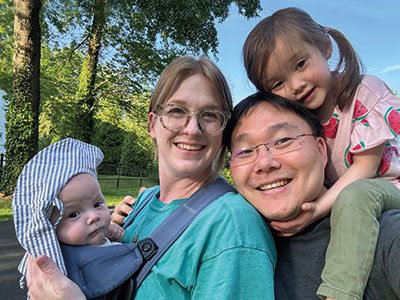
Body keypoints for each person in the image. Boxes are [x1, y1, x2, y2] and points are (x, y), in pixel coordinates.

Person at [25, 56, 276, 300]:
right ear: (153, 125)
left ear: (223, 130)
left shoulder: (231, 227)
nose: (192, 129)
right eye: (177, 111)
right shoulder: (143, 202)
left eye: (209, 115)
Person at [242, 7, 400, 300]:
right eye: (278, 83)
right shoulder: (304, 120)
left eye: (300, 64)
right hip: (357, 195)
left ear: (325, 47)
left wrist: (316, 209)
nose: (296, 85)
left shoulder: (364, 91)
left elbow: (365, 169)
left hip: (390, 187)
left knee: (357, 196)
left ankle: (339, 292)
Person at [228, 91, 400, 300]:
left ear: (321, 150)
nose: (264, 163)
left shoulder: (384, 234)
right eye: (245, 151)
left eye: (282, 140)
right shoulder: (227, 249)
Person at [13, 138, 124, 294]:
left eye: (97, 204)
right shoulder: (67, 267)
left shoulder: (84, 239)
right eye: (74, 214)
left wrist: (111, 238)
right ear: (51, 228)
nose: (93, 216)